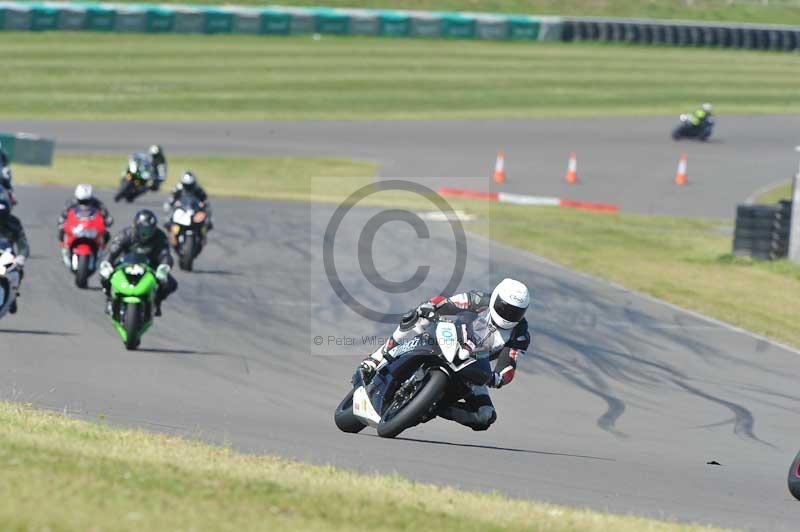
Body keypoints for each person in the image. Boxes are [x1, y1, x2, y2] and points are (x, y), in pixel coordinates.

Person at [358, 278, 531, 431]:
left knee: (485, 415)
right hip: (447, 340)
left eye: (515, 312)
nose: (508, 315)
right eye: (504, 307)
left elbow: (509, 363)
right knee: (416, 316)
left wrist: (497, 378)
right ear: (495, 298)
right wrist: (430, 308)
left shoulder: (520, 334)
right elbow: (447, 303)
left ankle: (431, 406)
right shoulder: (478, 299)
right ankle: (377, 357)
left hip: (472, 366)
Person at [99, 209, 177, 317]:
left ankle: (156, 302)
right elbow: (113, 250)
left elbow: (165, 254)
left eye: (149, 230)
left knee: (171, 284)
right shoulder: (125, 234)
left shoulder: (160, 236)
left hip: (150, 265)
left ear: (154, 229)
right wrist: (107, 263)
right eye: (142, 230)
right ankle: (109, 299)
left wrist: (164, 266)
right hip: (125, 263)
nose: (145, 234)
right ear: (135, 226)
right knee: (105, 275)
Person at [0, 193, 29, 314]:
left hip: (6, 256)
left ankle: (13, 295)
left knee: (19, 270)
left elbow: (22, 242)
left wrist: (21, 256)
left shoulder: (14, 223)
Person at [0, 141, 17, 205]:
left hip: (1, 173)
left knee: (6, 174)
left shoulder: (3, 155)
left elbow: (6, 165)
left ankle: (12, 195)